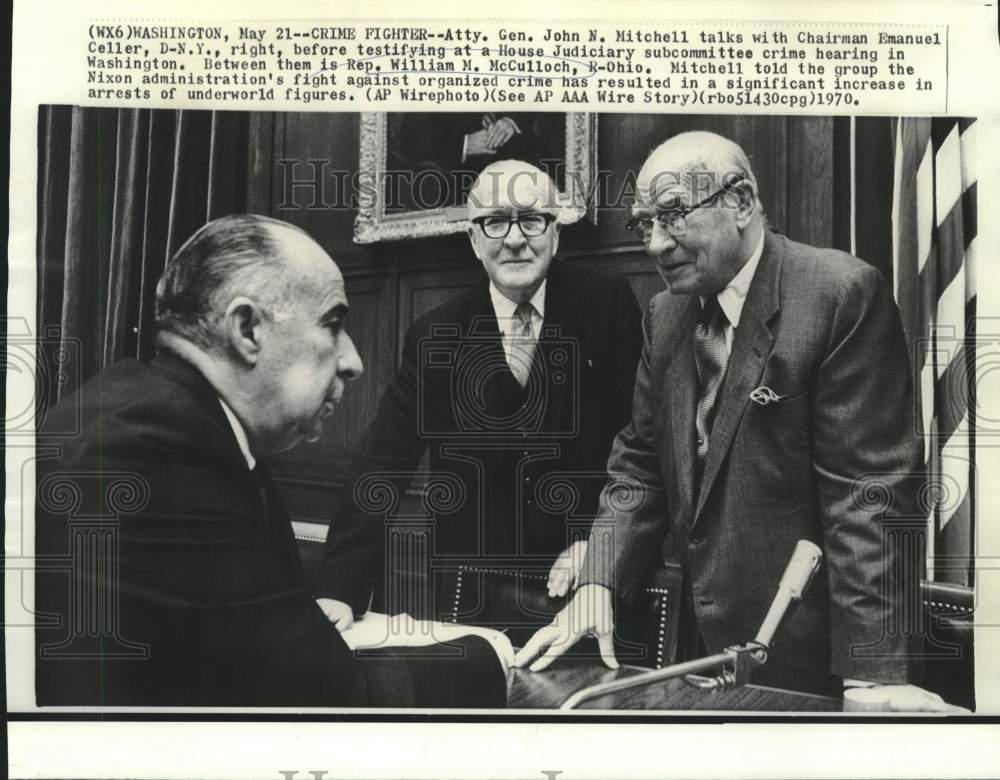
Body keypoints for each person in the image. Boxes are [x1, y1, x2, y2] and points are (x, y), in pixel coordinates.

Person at [514, 131, 965, 712]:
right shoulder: (665, 314)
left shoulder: (838, 295)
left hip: (813, 665)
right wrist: (598, 576)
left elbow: (869, 497)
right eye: (644, 224)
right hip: (698, 655)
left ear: (742, 201)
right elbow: (641, 463)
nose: (656, 243)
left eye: (673, 215)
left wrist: (872, 675)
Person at [35, 214, 507, 707]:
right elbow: (326, 698)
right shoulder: (155, 451)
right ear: (247, 329)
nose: (354, 361)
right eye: (332, 324)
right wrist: (493, 657)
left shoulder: (166, 416)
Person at [317, 160, 642, 632]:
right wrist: (340, 588)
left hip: (588, 587)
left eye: (532, 220)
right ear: (473, 239)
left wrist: (600, 545)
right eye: (494, 222)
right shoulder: (437, 334)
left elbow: (640, 447)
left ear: (555, 234)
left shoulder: (608, 304)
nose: (515, 239)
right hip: (469, 599)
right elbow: (381, 464)